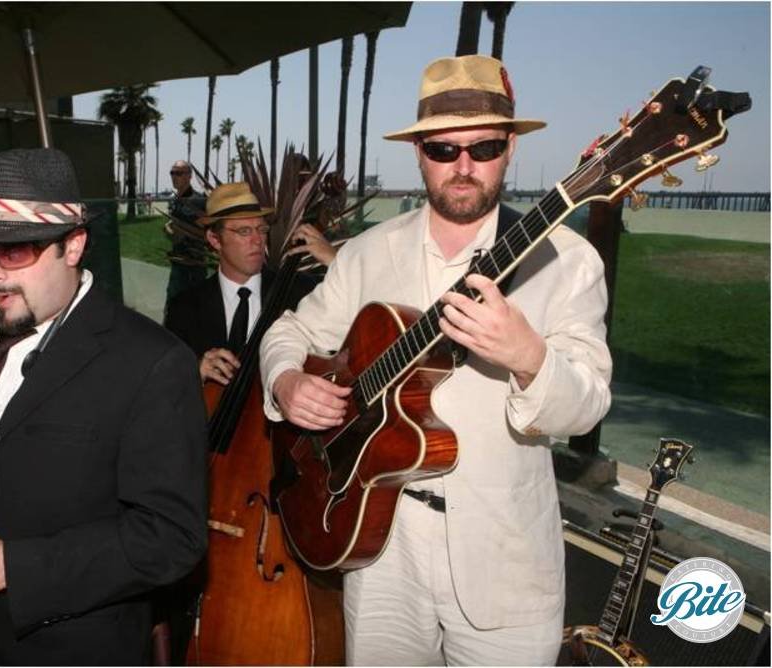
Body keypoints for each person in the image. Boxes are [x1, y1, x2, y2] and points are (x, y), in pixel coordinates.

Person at [260, 54, 612, 665]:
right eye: (445, 151)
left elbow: (586, 407)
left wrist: (529, 358)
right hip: (377, 544)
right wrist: (287, 379)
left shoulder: (569, 261)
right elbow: (289, 330)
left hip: (504, 564)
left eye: (485, 148)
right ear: (420, 153)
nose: (465, 167)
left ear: (510, 149)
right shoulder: (369, 253)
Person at [0, 147, 208, 665]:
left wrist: (10, 568)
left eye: (13, 252)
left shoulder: (152, 361)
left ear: (74, 245)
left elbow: (172, 538)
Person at [164, 181, 334, 386]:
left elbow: (359, 317)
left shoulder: (299, 290)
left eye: (261, 229)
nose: (258, 240)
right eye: (244, 231)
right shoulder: (183, 307)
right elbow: (166, 386)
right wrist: (195, 372)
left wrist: (336, 262)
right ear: (215, 239)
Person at [164, 160, 209, 311]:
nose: (174, 176)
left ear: (189, 176)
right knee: (173, 309)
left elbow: (202, 232)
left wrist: (170, 229)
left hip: (193, 267)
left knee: (191, 310)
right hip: (178, 263)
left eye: (179, 173)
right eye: (172, 173)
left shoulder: (198, 201)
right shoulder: (176, 200)